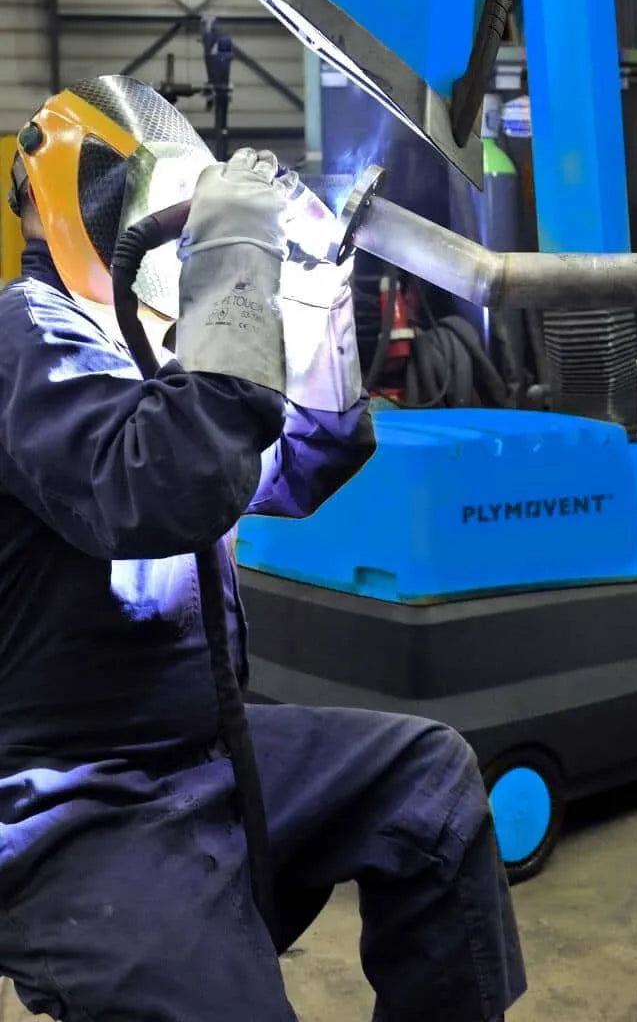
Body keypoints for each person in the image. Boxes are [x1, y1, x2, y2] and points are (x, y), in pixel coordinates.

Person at [0, 75, 526, 1022]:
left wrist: (312, 301)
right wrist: (232, 262)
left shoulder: (147, 347)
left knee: (429, 782)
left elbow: (300, 466)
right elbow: (165, 484)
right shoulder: (26, 335)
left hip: (200, 749)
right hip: (71, 798)